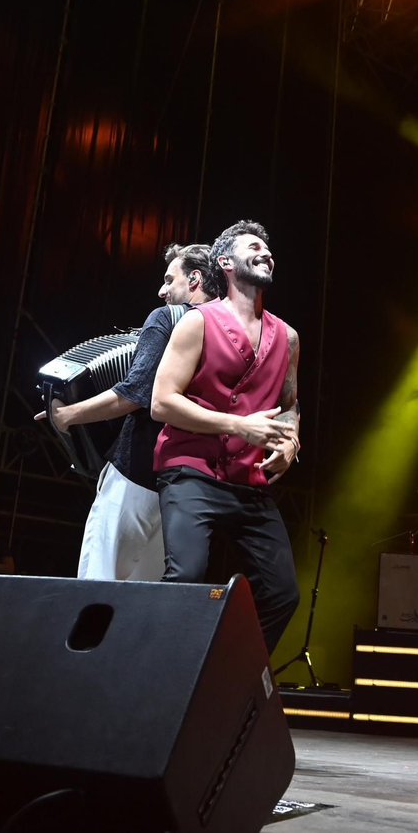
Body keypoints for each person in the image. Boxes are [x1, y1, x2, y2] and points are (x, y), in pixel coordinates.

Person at [151, 220, 301, 650]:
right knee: (185, 576)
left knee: (282, 594)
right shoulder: (198, 322)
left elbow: (290, 404)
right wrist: (238, 424)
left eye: (268, 247)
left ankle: (227, 673)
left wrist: (290, 442)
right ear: (225, 262)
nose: (266, 252)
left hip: (247, 481)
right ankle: (163, 677)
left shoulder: (287, 338)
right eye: (254, 246)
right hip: (191, 469)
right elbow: (162, 402)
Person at [39, 244, 217, 581]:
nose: (162, 290)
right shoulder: (230, 335)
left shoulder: (166, 319)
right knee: (141, 601)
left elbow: (136, 393)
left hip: (134, 476)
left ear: (194, 279)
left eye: (169, 279)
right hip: (182, 490)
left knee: (97, 584)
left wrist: (67, 415)